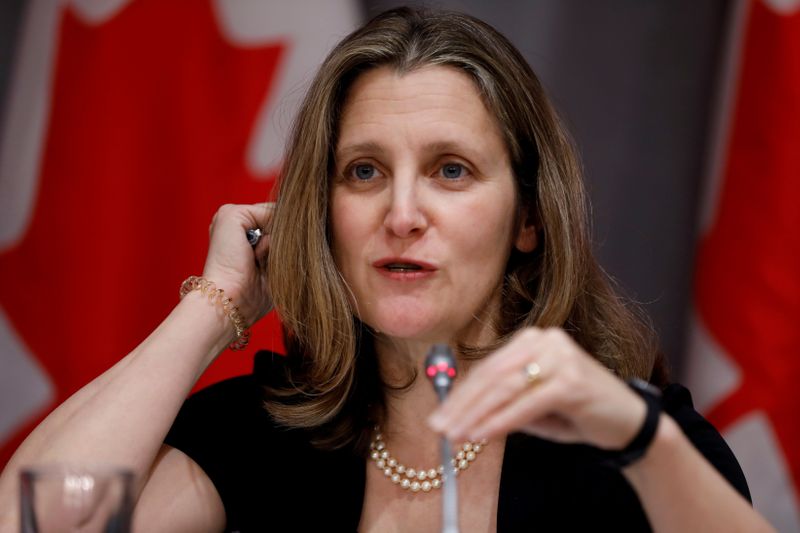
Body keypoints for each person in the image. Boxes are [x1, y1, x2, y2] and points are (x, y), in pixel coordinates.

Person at [0, 6, 773, 532]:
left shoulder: (630, 444)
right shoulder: (265, 435)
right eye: (364, 172)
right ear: (322, 211)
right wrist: (217, 304)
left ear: (529, 219)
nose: (401, 212)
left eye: (451, 170)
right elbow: (31, 519)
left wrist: (642, 440)